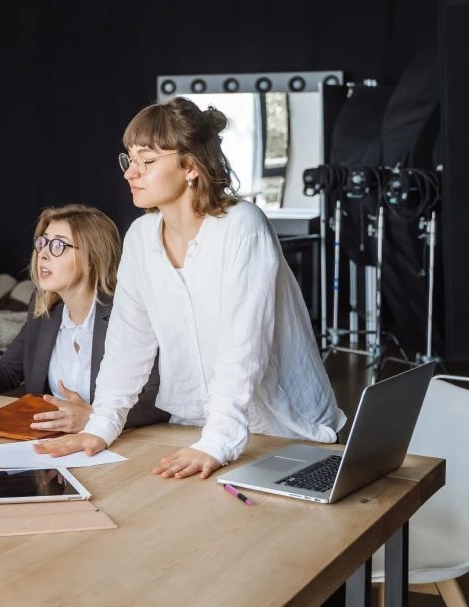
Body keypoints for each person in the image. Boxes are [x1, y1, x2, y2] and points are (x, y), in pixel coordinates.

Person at [36, 98, 344, 479]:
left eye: (147, 162)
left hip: (285, 429)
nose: (131, 173)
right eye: (129, 159)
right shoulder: (140, 237)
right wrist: (101, 426)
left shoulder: (241, 226)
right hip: (191, 428)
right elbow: (127, 347)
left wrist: (218, 442)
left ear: (191, 167)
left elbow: (243, 347)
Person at [0, 205, 166, 433]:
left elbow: (158, 399)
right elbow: (8, 369)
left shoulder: (130, 311)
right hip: (55, 441)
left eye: (59, 246)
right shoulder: (45, 308)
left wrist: (97, 420)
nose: (43, 254)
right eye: (42, 242)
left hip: (129, 442)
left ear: (92, 258)